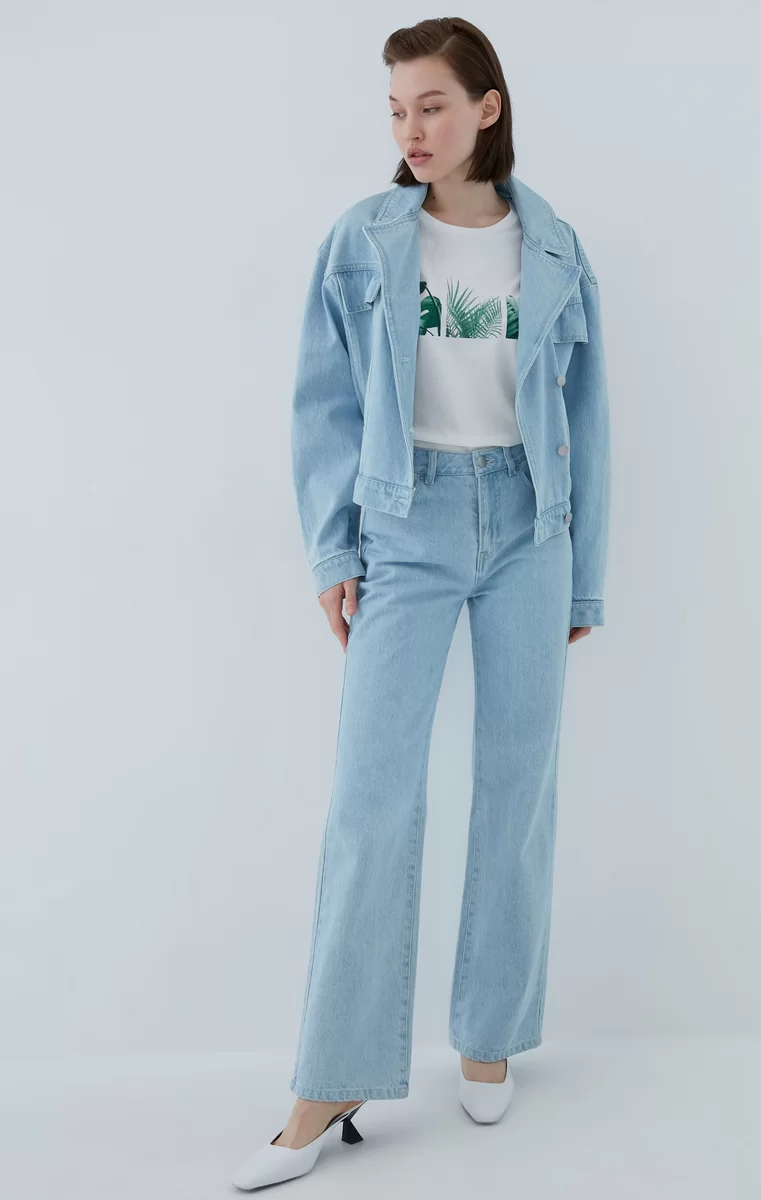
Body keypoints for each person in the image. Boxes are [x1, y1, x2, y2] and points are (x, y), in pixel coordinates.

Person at [233, 15, 610, 1190]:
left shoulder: (554, 246)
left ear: (486, 108)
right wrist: (331, 549)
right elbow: (322, 402)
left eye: (432, 104)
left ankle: (489, 1032)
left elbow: (588, 414)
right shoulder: (364, 239)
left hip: (531, 527)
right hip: (407, 523)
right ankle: (331, 1077)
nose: (412, 128)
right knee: (370, 799)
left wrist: (585, 569)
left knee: (519, 784)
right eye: (397, 109)